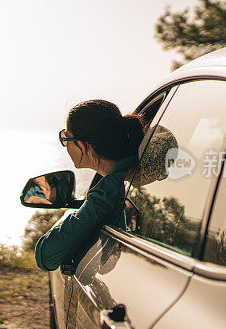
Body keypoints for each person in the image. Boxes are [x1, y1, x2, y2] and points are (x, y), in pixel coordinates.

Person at [35, 99, 144, 271]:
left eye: (66, 137)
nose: (65, 144)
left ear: (82, 145)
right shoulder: (132, 169)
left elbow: (46, 256)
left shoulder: (107, 191)